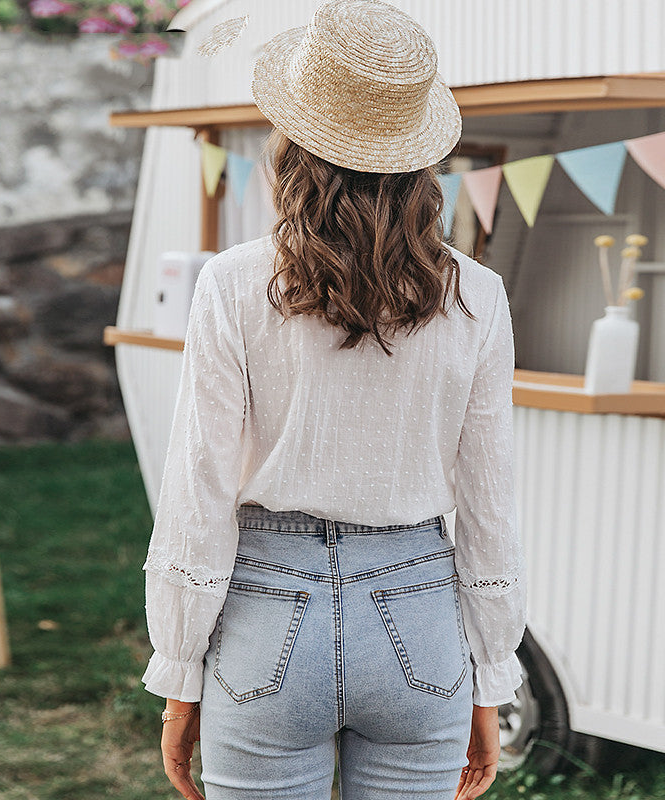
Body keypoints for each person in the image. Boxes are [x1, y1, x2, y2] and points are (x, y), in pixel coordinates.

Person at [141, 1, 526, 798]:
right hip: (421, 616)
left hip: (264, 613)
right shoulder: (479, 297)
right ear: (420, 159)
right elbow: (490, 505)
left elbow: (198, 489)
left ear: (294, 144)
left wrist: (179, 667)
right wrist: (491, 674)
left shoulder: (234, 284)